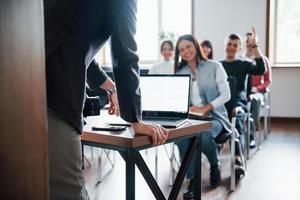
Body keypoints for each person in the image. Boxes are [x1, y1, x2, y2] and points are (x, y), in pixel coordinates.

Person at [44, 1, 168, 199]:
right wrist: (135, 120)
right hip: (47, 92)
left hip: (20, 76)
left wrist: (110, 86)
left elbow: (74, 42)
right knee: (68, 192)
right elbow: (125, 53)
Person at [173, 34, 232, 198]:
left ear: (195, 46)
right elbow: (178, 97)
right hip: (190, 118)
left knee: (203, 135)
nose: (186, 52)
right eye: (181, 50)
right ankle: (192, 179)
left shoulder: (215, 66)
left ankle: (214, 163)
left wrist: (207, 107)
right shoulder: (180, 71)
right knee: (180, 138)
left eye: (188, 47)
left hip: (215, 117)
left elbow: (226, 94)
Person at [221, 29, 266, 150]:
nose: (231, 47)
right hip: (222, 104)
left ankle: (237, 158)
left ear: (239, 48)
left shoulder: (244, 64)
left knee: (235, 118)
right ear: (224, 45)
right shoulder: (218, 66)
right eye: (229, 44)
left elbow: (261, 69)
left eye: (235, 45)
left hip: (238, 103)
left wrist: (255, 45)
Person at [243, 32, 272, 147]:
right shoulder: (241, 59)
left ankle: (250, 134)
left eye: (252, 43)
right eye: (247, 42)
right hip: (243, 93)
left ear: (257, 44)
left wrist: (257, 88)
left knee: (254, 101)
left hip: (257, 93)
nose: (249, 45)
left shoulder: (263, 60)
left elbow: (267, 80)